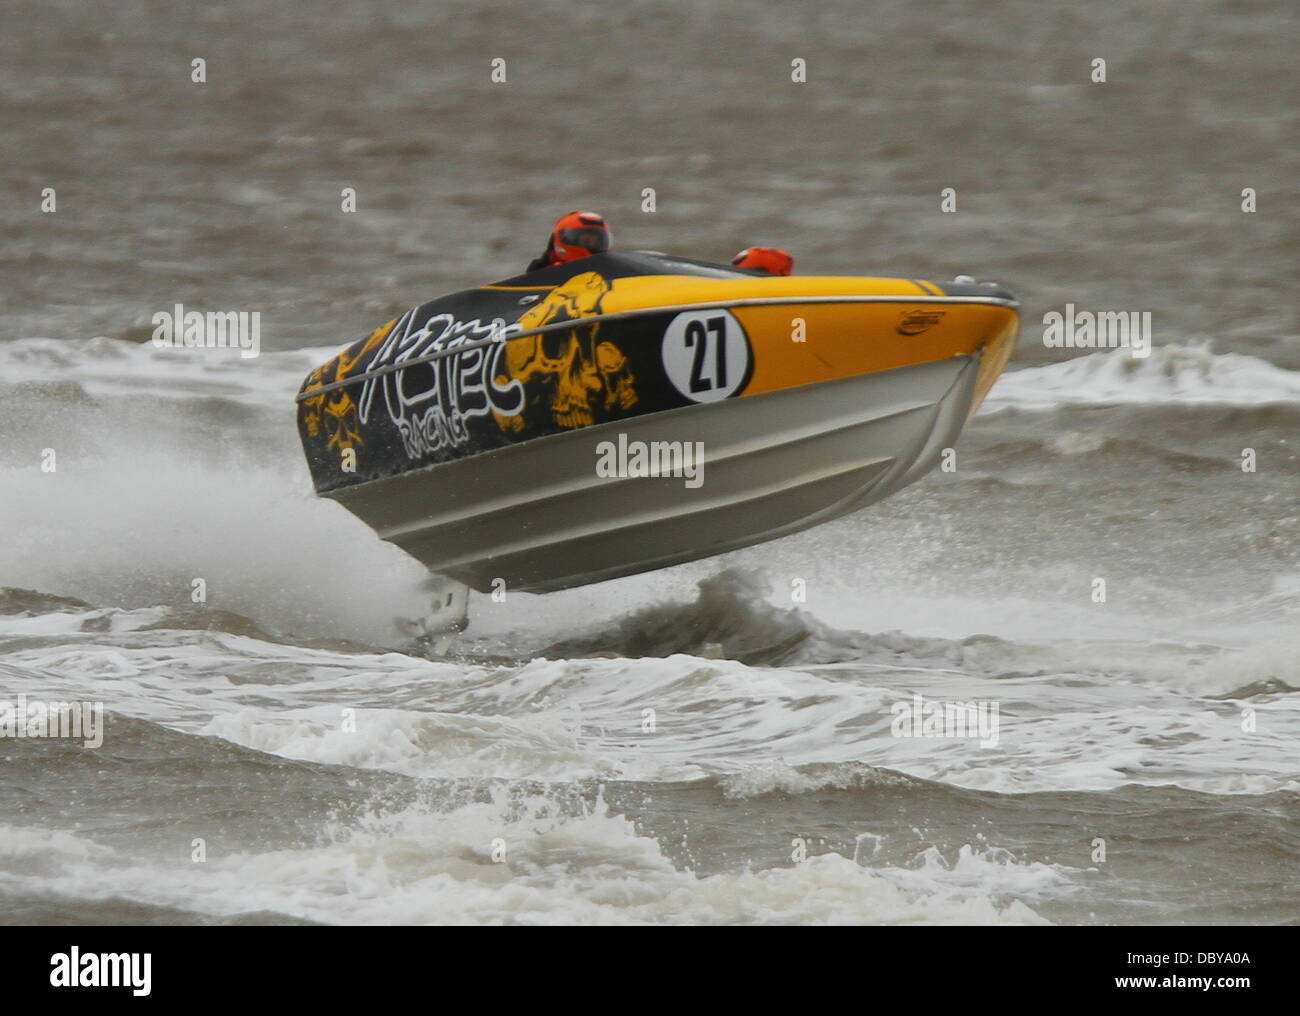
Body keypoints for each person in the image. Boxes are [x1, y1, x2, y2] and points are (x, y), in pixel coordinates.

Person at [527, 211, 611, 271]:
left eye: (597, 241)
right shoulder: (543, 272)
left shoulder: (610, 267)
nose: (592, 244)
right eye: (586, 240)